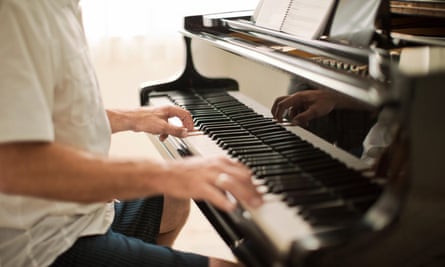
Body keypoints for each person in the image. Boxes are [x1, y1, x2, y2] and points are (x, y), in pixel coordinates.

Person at [0, 1, 263, 267]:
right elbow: (13, 164)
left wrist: (130, 118)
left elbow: (47, 113)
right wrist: (163, 174)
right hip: (42, 243)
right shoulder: (19, 10)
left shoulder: (62, 6)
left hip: (82, 215)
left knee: (172, 200)